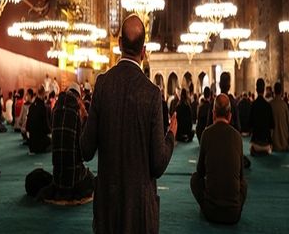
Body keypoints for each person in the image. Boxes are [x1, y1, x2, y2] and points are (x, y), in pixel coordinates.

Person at [81, 14, 177, 234]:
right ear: (144, 51)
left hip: (107, 209)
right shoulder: (152, 94)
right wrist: (171, 134)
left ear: (120, 44)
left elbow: (86, 150)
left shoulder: (103, 85)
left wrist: (85, 117)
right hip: (140, 213)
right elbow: (158, 165)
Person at [190, 93, 247, 224]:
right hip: (233, 214)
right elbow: (241, 177)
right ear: (230, 115)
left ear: (213, 113)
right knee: (244, 184)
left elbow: (200, 173)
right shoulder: (237, 137)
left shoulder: (206, 134)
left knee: (194, 179)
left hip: (211, 212)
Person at [39, 84, 94, 203]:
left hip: (57, 177)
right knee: (91, 178)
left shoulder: (55, 110)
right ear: (79, 97)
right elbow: (83, 152)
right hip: (74, 178)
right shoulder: (78, 111)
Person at [249, 78, 274, 155]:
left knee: (252, 147)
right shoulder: (268, 106)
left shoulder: (253, 105)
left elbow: (250, 124)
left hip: (256, 144)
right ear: (264, 90)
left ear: (256, 89)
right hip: (267, 145)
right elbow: (272, 126)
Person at [26, 85, 51, 154]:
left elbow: (27, 125)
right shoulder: (43, 107)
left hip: (31, 144)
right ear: (43, 94)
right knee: (52, 141)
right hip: (40, 144)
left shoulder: (31, 106)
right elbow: (46, 127)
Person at [270, 82, 289, 152]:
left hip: (273, 144)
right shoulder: (284, 105)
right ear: (281, 91)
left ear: (274, 91)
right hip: (284, 144)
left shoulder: (270, 105)